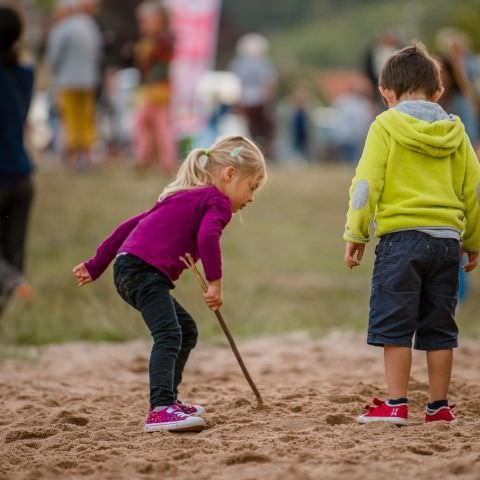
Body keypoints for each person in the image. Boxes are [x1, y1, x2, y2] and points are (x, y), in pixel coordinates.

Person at [73, 135, 267, 432]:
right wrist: (215, 283)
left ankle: (170, 401)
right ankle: (160, 408)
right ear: (229, 174)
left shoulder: (184, 195)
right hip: (143, 272)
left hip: (130, 268)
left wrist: (96, 265)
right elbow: (207, 237)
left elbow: (129, 226)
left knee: (185, 330)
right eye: (251, 187)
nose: (251, 197)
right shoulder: (217, 202)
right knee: (169, 333)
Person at [344, 43, 480, 425]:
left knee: (395, 324)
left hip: (400, 240)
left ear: (386, 93)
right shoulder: (457, 131)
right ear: (438, 92)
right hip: (446, 243)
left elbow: (366, 184)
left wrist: (356, 232)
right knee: (440, 328)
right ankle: (438, 407)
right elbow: (472, 191)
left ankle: (396, 402)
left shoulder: (385, 125)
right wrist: (473, 241)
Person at [0, 6, 35, 313]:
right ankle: (11, 279)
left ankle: (8, 279)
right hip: (21, 176)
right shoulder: (24, 75)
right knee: (14, 253)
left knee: (7, 269)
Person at [46, 0, 102, 170]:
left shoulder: (62, 29)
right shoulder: (90, 25)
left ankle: (71, 156)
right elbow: (98, 52)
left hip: (68, 81)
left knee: (70, 118)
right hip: (88, 80)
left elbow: (54, 57)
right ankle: (86, 155)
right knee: (86, 118)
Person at [133, 0, 177, 173]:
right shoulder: (155, 40)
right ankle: (153, 159)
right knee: (152, 125)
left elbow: (147, 58)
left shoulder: (163, 40)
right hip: (152, 89)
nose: (142, 25)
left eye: (146, 21)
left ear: (158, 20)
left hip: (159, 90)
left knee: (153, 125)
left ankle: (157, 159)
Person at [229, 33, 277, 160]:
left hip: (245, 102)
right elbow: (268, 83)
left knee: (249, 131)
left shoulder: (238, 64)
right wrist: (269, 101)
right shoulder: (264, 62)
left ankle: (250, 155)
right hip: (259, 102)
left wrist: (237, 103)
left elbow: (235, 84)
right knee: (266, 131)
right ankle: (265, 154)